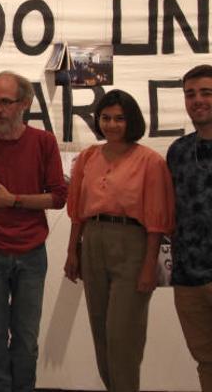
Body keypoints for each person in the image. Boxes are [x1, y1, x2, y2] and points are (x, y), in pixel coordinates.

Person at [0, 71, 67, 392]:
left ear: (25, 103)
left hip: (31, 253)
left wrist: (14, 200)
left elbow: (58, 197)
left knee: (26, 338)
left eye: (5, 102)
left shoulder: (43, 142)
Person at [65, 89, 174, 392]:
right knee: (100, 331)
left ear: (132, 121)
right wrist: (73, 251)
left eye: (120, 119)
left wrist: (149, 266)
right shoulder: (88, 156)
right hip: (93, 241)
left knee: (122, 335)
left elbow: (157, 220)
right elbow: (76, 211)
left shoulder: (149, 161)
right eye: (106, 118)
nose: (112, 124)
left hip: (132, 244)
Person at [167, 64, 212, 392]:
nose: (197, 100)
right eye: (190, 94)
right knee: (206, 361)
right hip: (188, 278)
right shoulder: (178, 151)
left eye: (206, 92)